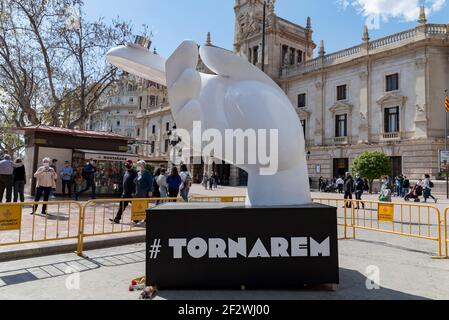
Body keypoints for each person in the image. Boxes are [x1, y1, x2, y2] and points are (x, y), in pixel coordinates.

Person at [111, 160, 138, 224]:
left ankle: (136, 219)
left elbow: (134, 183)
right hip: (125, 193)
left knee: (135, 206)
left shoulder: (134, 173)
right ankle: (117, 219)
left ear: (131, 165)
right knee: (122, 206)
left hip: (131, 193)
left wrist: (133, 191)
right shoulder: (126, 172)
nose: (127, 165)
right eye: (126, 164)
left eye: (128, 164)